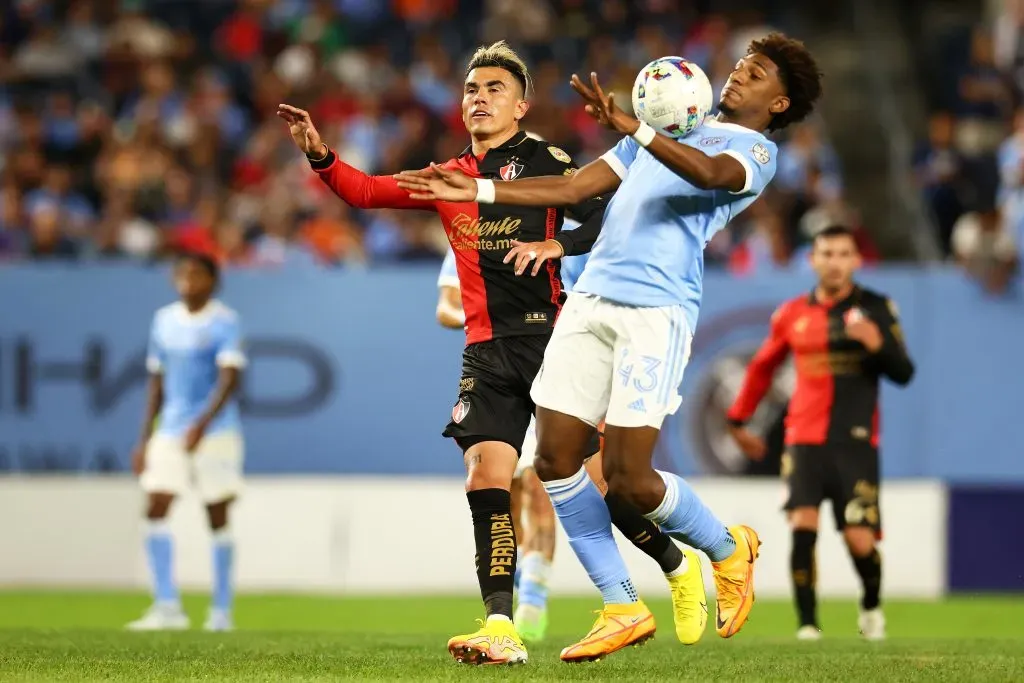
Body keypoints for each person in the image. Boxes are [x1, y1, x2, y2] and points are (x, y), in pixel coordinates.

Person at [397, 33, 824, 662]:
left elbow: (707, 174)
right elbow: (572, 192)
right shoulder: (666, 126)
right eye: (738, 66)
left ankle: (729, 548)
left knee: (629, 481)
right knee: (556, 458)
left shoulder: (753, 150)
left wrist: (634, 125)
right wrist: (478, 191)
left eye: (755, 74)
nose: (738, 76)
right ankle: (621, 605)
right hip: (590, 302)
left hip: (656, 312)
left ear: (779, 103)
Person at [282, 41, 703, 665]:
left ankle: (676, 562)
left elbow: (605, 220)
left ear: (522, 105)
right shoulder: (450, 177)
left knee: (599, 484)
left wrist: (560, 249)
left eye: (494, 90)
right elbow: (368, 192)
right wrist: (320, 155)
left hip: (554, 340)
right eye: (471, 90)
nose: (479, 98)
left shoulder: (547, 161)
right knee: (486, 477)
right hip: (486, 349)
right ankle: (501, 626)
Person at [435, 231, 704, 646]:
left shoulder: (557, 230)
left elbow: (586, 298)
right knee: (500, 490)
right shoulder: (473, 230)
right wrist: (478, 314)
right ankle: (511, 616)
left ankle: (676, 563)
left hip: (563, 372)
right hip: (496, 372)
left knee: (598, 488)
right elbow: (447, 305)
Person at [726, 225, 915, 641]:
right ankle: (808, 624)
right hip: (803, 437)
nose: (834, 262)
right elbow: (761, 369)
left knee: (860, 541)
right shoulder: (792, 314)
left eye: (843, 253)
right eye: (826, 253)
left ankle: (870, 606)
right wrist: (737, 420)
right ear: (813, 260)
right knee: (802, 526)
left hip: (856, 440)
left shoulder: (878, 309)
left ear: (856, 260)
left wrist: (876, 343)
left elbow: (904, 372)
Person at [126, 252, 246, 632]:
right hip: (171, 429)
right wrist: (145, 438)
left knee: (216, 512)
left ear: (213, 281)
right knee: (156, 505)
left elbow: (230, 378)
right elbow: (157, 382)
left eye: (196, 275)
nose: (188, 282)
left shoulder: (224, 322)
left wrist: (203, 423)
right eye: (182, 275)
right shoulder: (163, 321)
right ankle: (166, 606)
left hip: (216, 432)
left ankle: (221, 611)